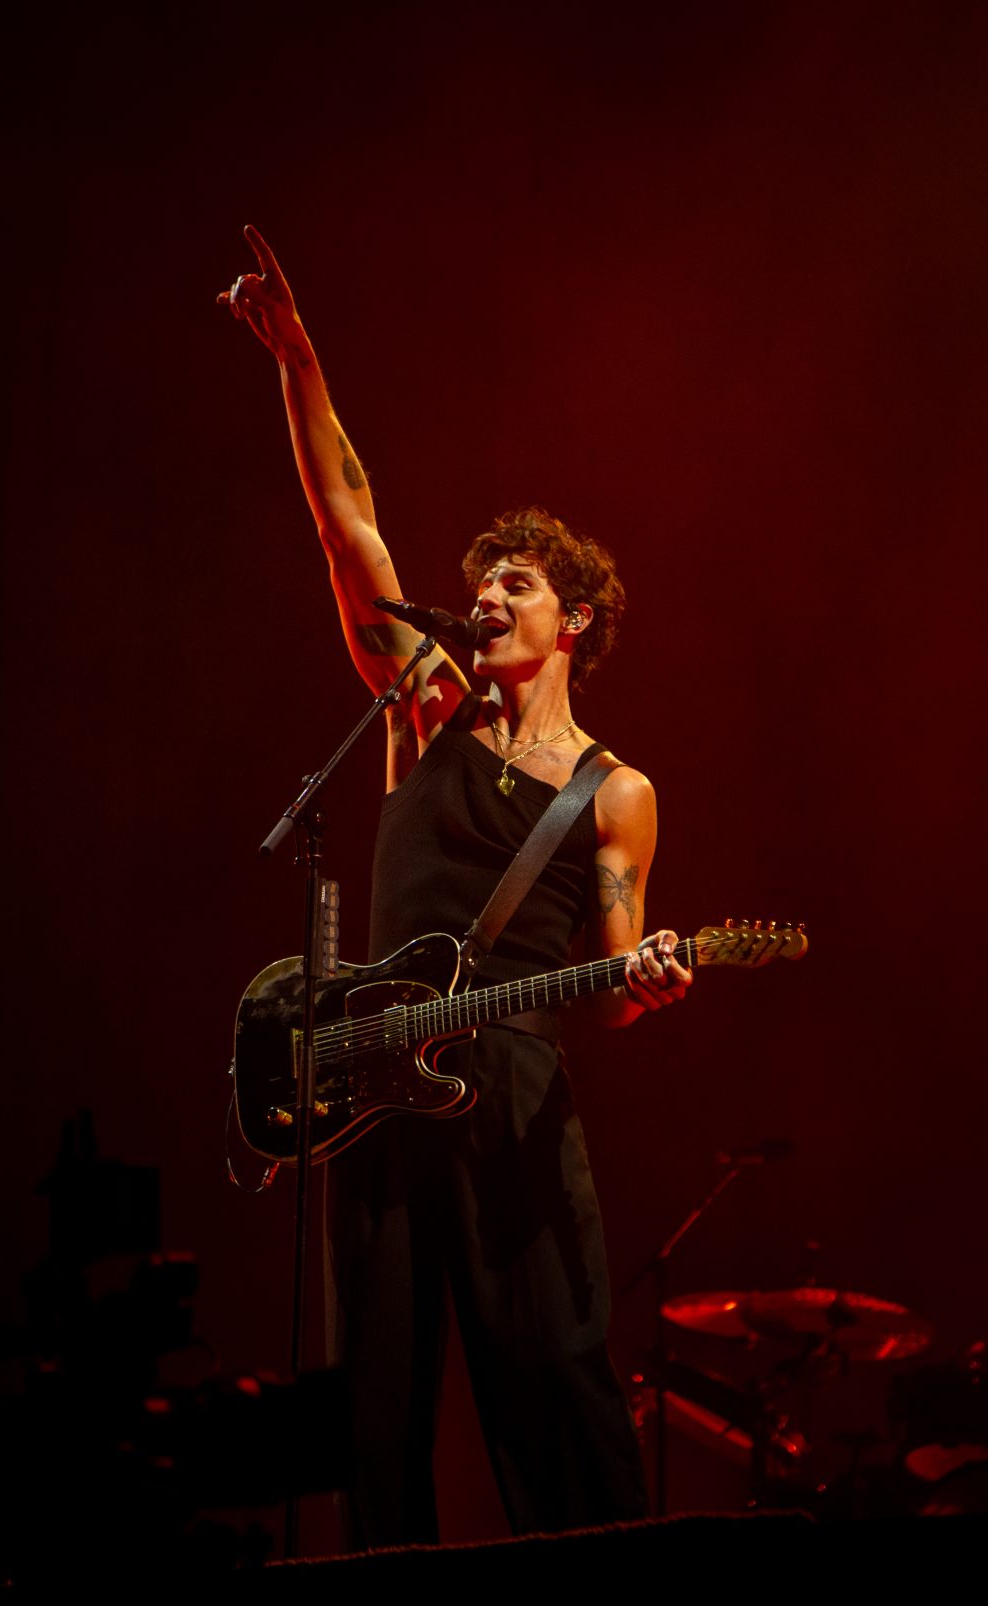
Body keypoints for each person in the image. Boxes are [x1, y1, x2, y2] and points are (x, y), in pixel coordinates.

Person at [219, 226, 693, 1549]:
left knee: (556, 1387)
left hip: (516, 1090)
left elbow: (613, 973)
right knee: (377, 1409)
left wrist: (646, 984)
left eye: (518, 580)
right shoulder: (420, 708)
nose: (485, 590)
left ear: (574, 618)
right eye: (481, 576)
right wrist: (299, 363)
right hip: (372, 1086)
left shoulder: (615, 788)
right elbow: (348, 518)